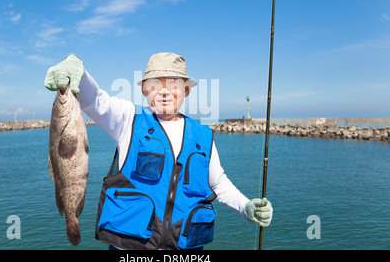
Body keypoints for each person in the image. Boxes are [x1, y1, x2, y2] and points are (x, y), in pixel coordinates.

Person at [44, 52, 273, 250]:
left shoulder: (203, 135)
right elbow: (94, 99)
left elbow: (218, 183)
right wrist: (77, 69)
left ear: (186, 91)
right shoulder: (127, 120)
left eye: (174, 85)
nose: (164, 92)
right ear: (145, 90)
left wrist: (246, 206)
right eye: (155, 85)